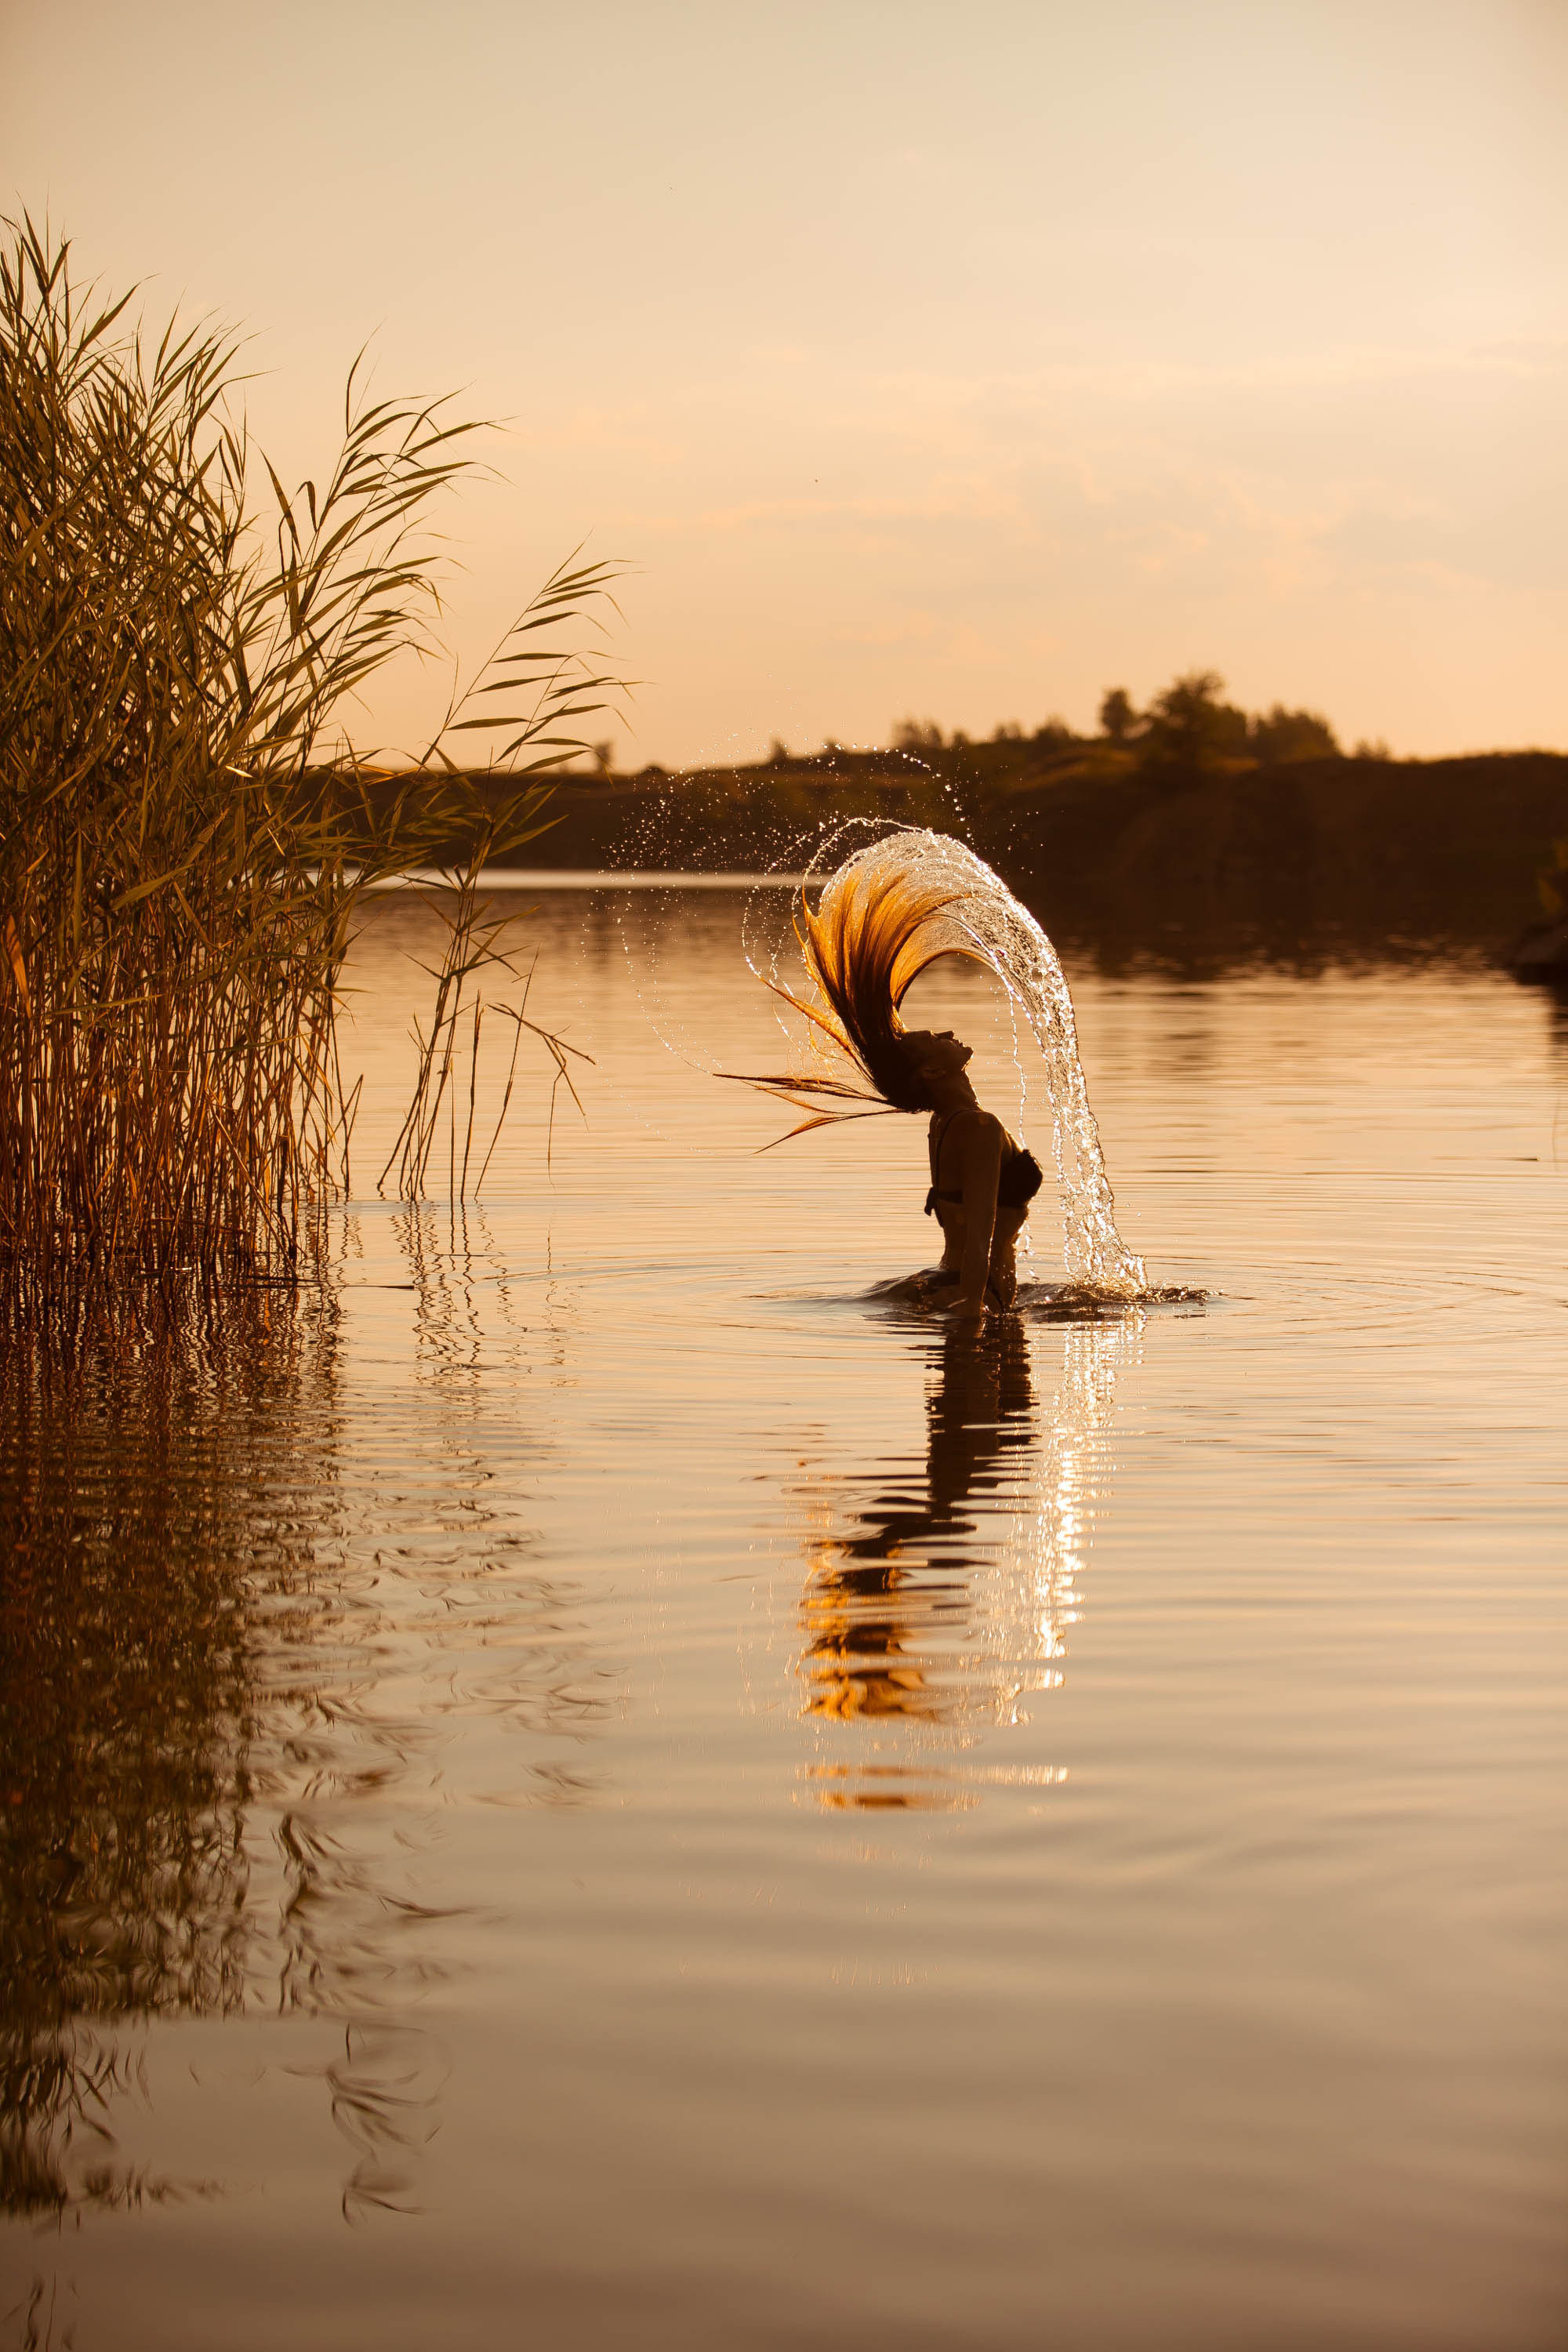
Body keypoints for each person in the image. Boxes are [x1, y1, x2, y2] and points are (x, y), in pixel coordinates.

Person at [724, 854, 1041, 1323]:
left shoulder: (945, 1124)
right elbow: (979, 1235)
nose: (949, 1032)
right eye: (934, 1039)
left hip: (949, 1283)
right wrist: (973, 1313)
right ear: (932, 1073)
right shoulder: (975, 1126)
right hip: (972, 1292)